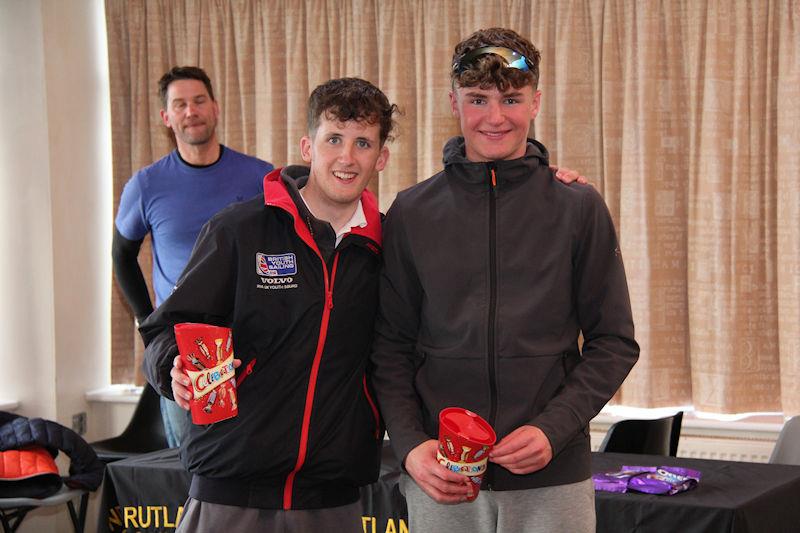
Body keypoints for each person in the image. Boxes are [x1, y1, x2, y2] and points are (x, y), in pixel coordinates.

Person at [370, 27, 640, 533]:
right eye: (478, 100)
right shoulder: (411, 212)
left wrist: (552, 430)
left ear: (535, 102)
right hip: (441, 477)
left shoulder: (577, 208)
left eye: (511, 99)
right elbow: (389, 347)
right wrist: (409, 446)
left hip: (552, 476)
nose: (495, 118)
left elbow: (614, 343)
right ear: (454, 103)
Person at [139, 77, 396, 532]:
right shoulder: (239, 230)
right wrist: (171, 367)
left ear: (382, 157)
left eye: (363, 143)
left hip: (332, 498)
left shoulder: (389, 247)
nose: (347, 157)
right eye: (333, 138)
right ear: (307, 147)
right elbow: (165, 330)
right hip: (229, 490)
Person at [113, 66, 274, 447]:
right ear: (166, 118)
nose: (191, 111)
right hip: (183, 350)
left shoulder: (259, 177)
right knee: (192, 470)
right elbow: (122, 255)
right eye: (180, 104)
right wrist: (147, 323)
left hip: (249, 341)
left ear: (215, 108)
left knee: (257, 457)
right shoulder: (147, 185)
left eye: (199, 101)